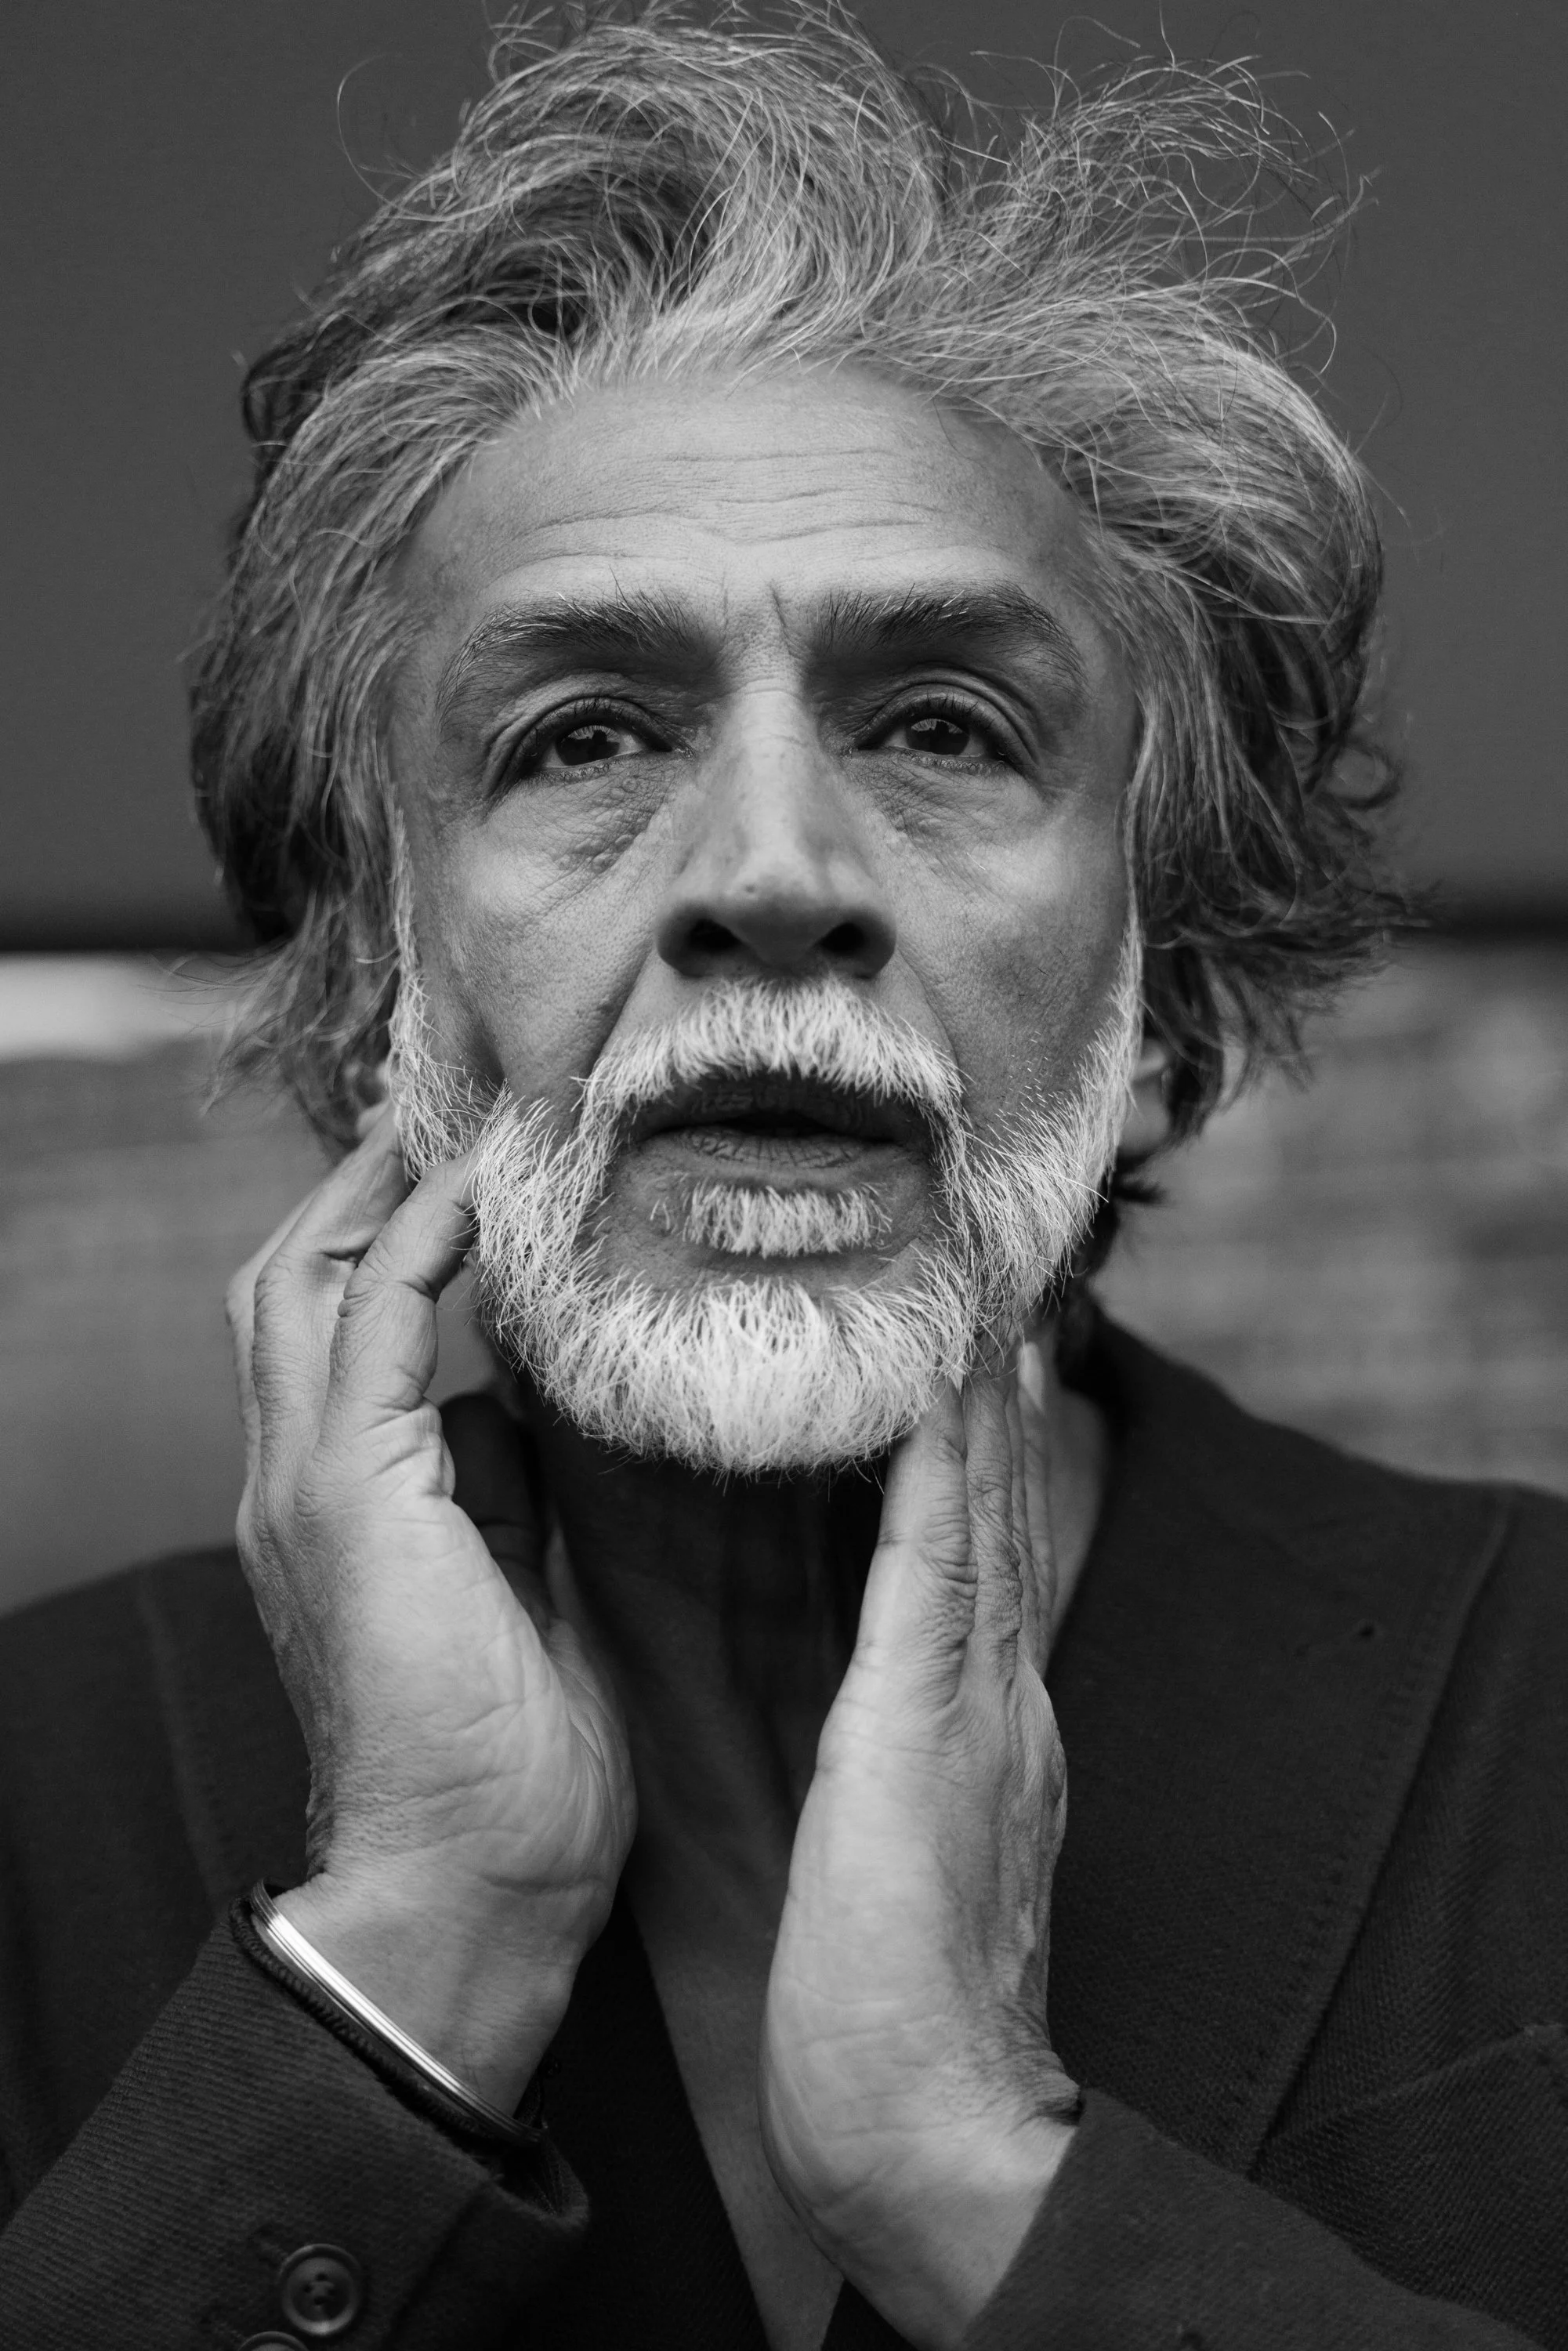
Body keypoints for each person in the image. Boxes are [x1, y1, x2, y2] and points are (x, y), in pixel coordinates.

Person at [0, 9, 1563, 2347]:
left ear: (1176, 991)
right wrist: (412, 1956)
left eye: (943, 729)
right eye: (584, 736)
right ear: (365, 994)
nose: (766, 873)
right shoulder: (33, 1793)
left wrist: (967, 2176)